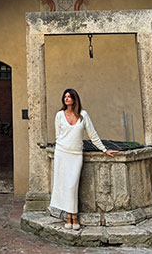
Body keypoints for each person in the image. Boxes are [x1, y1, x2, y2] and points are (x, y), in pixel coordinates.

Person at [50, 88, 117, 230]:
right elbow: (58, 136)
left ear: (75, 99)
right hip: (62, 152)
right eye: (65, 97)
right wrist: (58, 148)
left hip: (75, 154)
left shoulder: (83, 115)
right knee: (63, 185)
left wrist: (104, 149)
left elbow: (93, 135)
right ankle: (70, 217)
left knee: (72, 186)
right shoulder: (59, 115)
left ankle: (73, 215)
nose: (66, 99)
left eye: (69, 96)